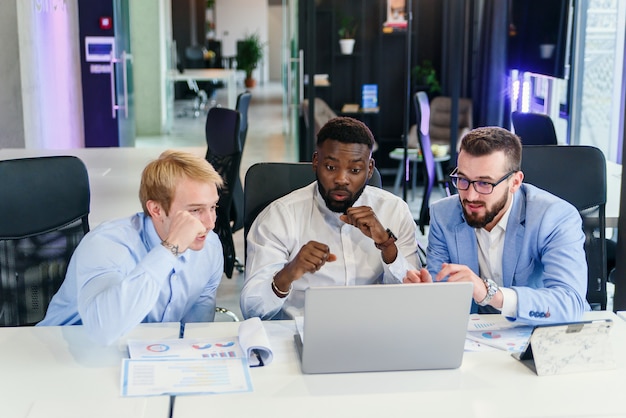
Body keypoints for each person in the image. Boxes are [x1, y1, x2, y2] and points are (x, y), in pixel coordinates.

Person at [241, 116, 425, 320]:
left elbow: (413, 298)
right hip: (302, 333)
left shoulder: (395, 211)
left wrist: (387, 247)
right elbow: (252, 310)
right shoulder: (280, 216)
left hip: (375, 330)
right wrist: (289, 272)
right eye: (330, 167)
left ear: (369, 169)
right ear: (316, 162)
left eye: (355, 170)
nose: (341, 179)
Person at [38, 150, 225, 345]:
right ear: (156, 209)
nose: (210, 223)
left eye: (213, 207)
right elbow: (103, 329)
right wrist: (170, 249)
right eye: (195, 210)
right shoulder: (107, 244)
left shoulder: (209, 248)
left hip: (140, 355)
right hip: (63, 352)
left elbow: (195, 329)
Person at [405, 126, 588, 324]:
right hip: (472, 338)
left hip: (534, 333)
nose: (470, 196)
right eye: (463, 180)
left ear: (515, 183)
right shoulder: (443, 215)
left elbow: (571, 303)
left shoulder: (553, 217)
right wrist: (426, 293)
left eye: (485, 183)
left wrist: (491, 294)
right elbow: (440, 291)